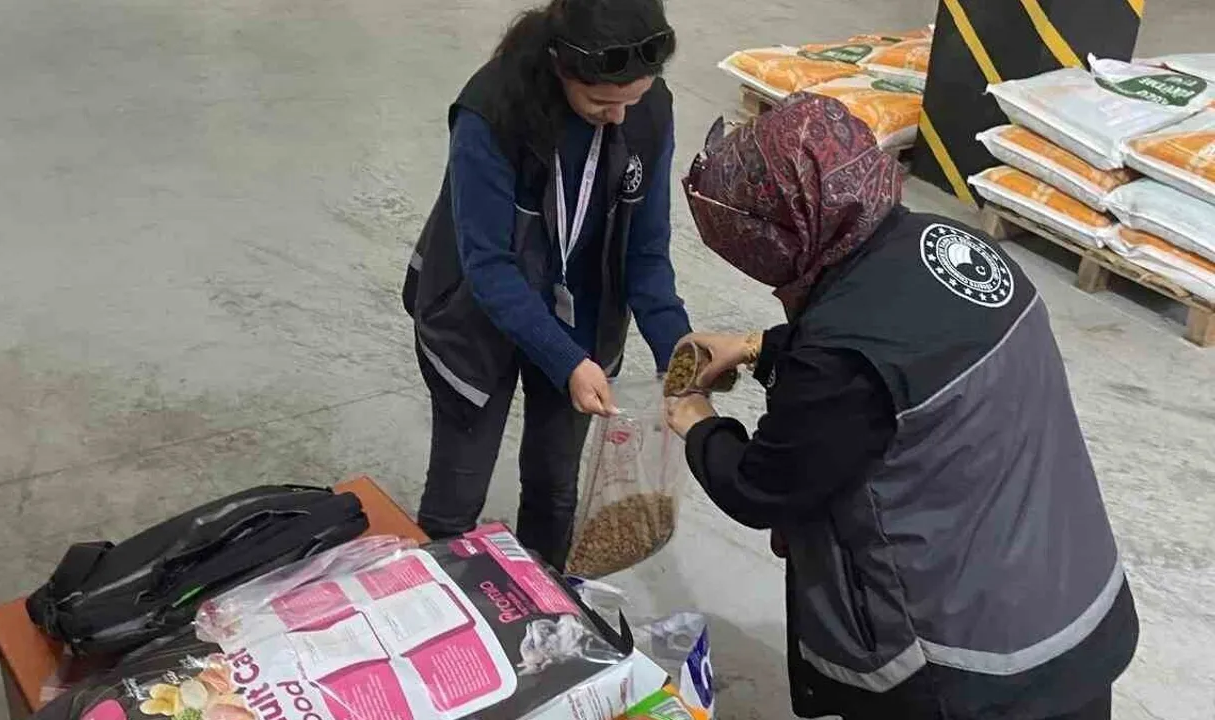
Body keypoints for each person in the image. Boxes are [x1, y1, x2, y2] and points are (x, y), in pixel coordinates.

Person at [664, 95, 1138, 720]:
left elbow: (763, 487)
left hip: (976, 667)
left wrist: (699, 421)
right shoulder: (951, 245)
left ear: (782, 233)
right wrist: (763, 347)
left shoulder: (841, 355)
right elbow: (903, 367)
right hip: (1074, 602)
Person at [402, 0, 690, 571]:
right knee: (456, 500)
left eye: (632, 101)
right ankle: (441, 607)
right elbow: (488, 267)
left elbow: (647, 251)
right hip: (478, 314)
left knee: (555, 488)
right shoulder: (492, 112)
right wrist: (566, 361)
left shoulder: (648, 110)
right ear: (561, 66)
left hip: (582, 314)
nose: (619, 118)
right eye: (601, 103)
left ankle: (546, 602)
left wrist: (680, 355)